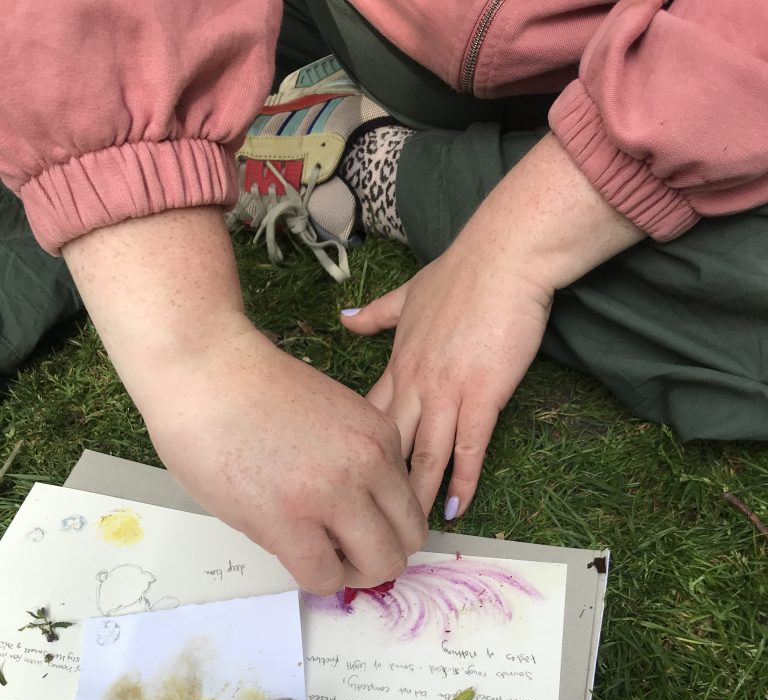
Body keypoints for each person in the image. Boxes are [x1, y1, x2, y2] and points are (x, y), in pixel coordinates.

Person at [1, 0, 767, 595]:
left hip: (698, 70)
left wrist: (511, 252)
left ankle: (365, 163)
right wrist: (190, 353)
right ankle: (211, 145)